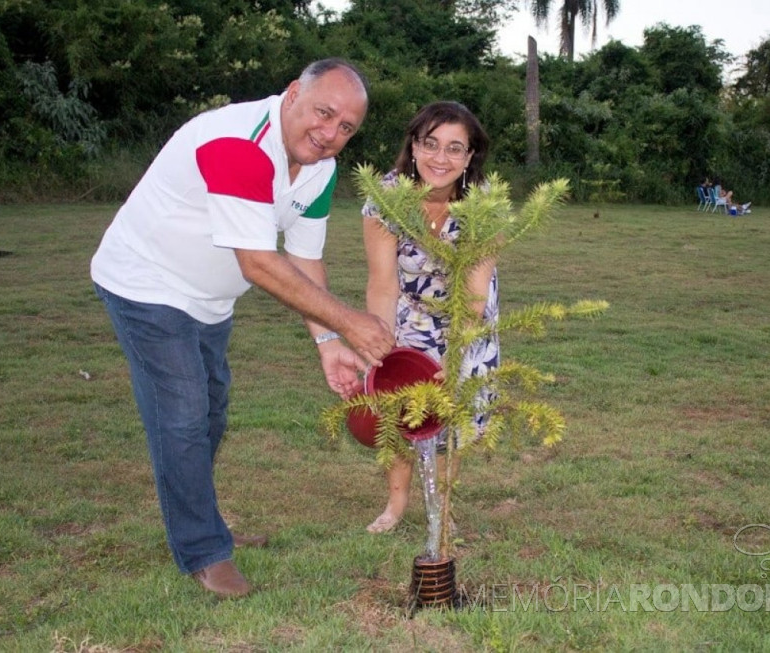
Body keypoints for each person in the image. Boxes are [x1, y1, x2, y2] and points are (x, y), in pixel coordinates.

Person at [90, 58, 395, 598]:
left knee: (211, 408)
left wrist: (327, 342)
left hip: (209, 299)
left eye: (346, 128)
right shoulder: (240, 142)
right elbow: (258, 262)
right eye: (324, 113)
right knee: (183, 416)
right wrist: (350, 322)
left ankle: (196, 518)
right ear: (293, 92)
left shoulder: (319, 168)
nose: (330, 134)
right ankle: (203, 549)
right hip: (146, 281)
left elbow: (303, 260)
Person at [361, 101, 499, 534]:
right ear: (414, 147)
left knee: (453, 419)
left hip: (466, 322)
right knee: (400, 411)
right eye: (431, 144)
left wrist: (454, 360)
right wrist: (377, 345)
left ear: (470, 156)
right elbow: (382, 283)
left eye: (455, 148)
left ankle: (444, 507)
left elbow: (474, 295)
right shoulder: (387, 197)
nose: (441, 158)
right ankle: (395, 504)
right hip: (409, 318)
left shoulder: (483, 204)